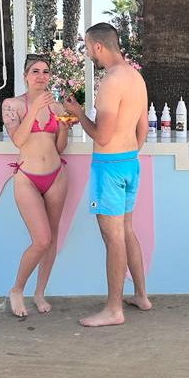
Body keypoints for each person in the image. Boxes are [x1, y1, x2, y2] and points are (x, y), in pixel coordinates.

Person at [64, 22, 152, 327]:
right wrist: (127, 152)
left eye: (87, 48)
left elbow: (101, 136)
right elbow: (142, 131)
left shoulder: (111, 82)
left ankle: (114, 309)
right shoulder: (136, 78)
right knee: (126, 231)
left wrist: (77, 114)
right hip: (130, 163)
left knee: (113, 237)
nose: (88, 53)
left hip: (109, 167)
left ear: (98, 46)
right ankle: (141, 295)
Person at [1, 54, 74, 318]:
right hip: (28, 178)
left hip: (56, 175)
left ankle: (40, 292)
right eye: (35, 71)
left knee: (51, 239)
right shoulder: (12, 105)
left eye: (45, 71)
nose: (41, 76)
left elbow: (59, 147)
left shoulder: (55, 107)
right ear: (25, 75)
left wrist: (65, 124)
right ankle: (17, 289)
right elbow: (19, 141)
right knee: (41, 239)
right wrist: (33, 110)